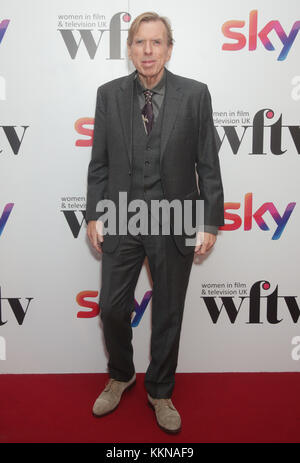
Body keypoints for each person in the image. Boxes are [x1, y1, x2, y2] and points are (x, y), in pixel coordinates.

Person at [86, 12, 224, 434]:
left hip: (176, 217)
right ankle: (122, 373)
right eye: (140, 43)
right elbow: (100, 163)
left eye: (156, 42)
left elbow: (208, 163)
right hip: (123, 216)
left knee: (168, 311)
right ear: (129, 49)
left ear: (168, 48)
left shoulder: (195, 95)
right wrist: (94, 213)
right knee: (111, 306)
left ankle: (160, 389)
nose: (148, 51)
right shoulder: (108, 95)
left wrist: (210, 222)